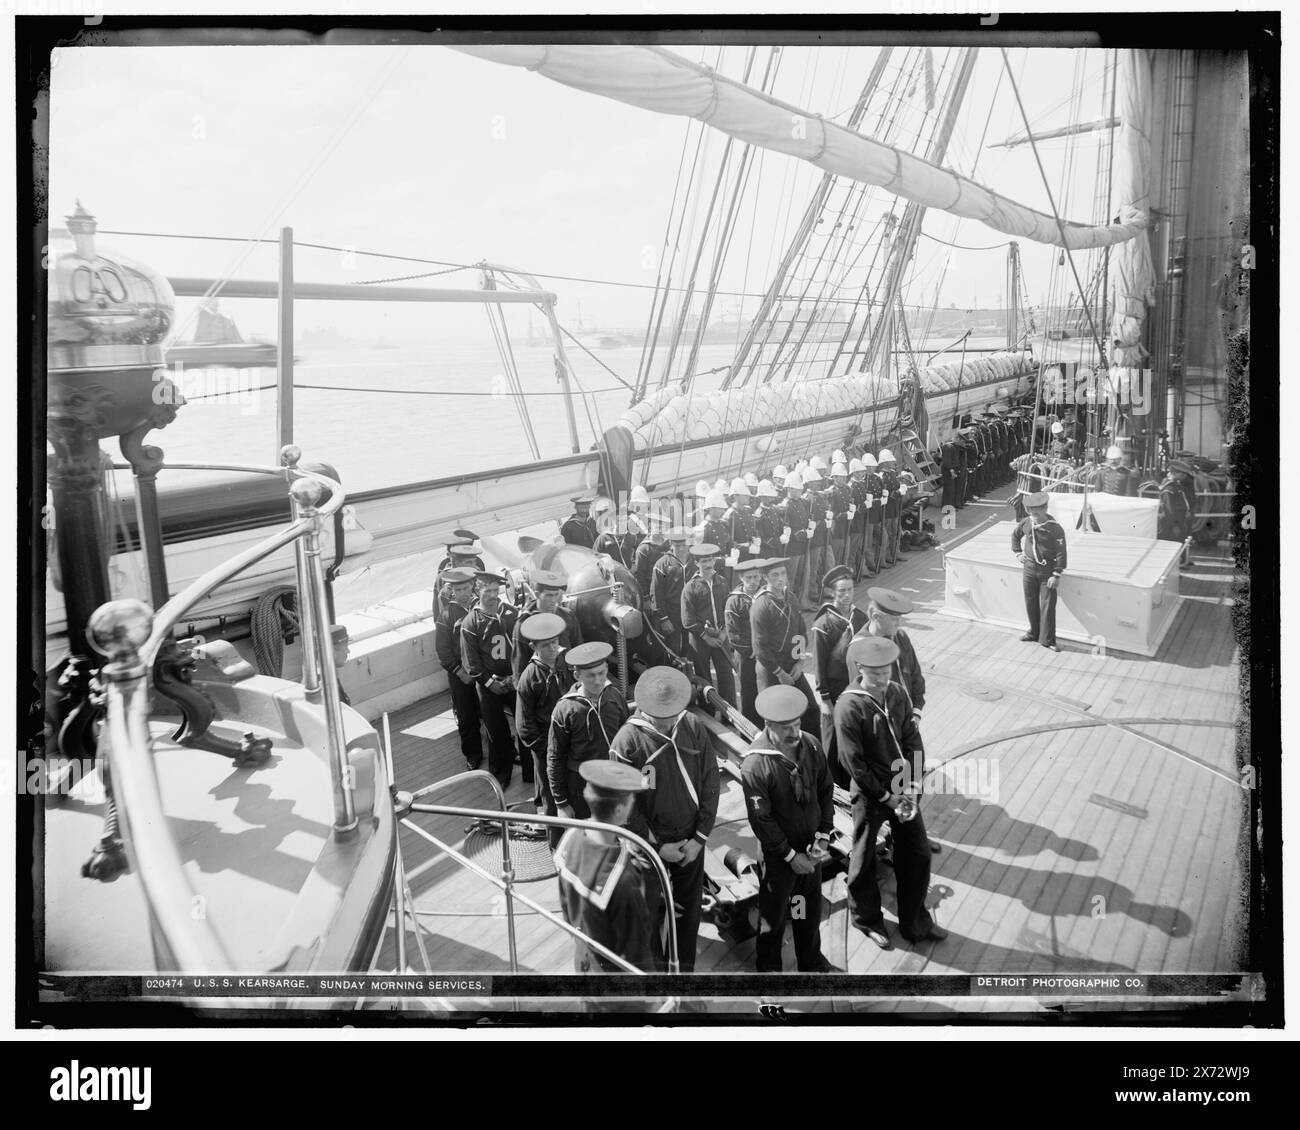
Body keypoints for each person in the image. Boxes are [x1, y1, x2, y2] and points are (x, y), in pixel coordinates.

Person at [835, 635, 947, 950]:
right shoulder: (849, 705)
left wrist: (911, 788)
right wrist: (886, 798)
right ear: (860, 668)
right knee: (863, 857)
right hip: (871, 794)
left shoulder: (897, 693)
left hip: (902, 788)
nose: (884, 677)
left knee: (918, 853)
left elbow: (912, 740)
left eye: (887, 670)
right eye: (876, 672)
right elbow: (853, 763)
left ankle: (915, 922)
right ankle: (866, 919)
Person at [609, 665, 719, 972]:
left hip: (690, 841)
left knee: (689, 914)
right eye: (664, 715)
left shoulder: (693, 726)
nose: (672, 721)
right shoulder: (627, 743)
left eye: (675, 713)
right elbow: (624, 804)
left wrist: (700, 838)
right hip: (647, 848)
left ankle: (684, 976)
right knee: (648, 914)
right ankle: (657, 980)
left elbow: (710, 781)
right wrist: (656, 848)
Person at [740, 684, 838, 972]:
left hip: (812, 849)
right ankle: (770, 972)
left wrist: (822, 835)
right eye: (786, 728)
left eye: (796, 724)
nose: (794, 732)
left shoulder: (811, 745)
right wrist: (790, 857)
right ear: (768, 725)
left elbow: (825, 790)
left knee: (807, 909)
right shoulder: (756, 766)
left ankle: (811, 961)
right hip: (779, 859)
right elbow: (762, 820)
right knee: (773, 918)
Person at [553, 760, 656, 977]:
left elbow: (566, 909)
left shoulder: (569, 840)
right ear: (620, 810)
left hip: (584, 962)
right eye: (631, 799)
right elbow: (637, 952)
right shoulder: (622, 881)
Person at [864, 586, 938, 854]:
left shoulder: (901, 638)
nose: (898, 624)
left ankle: (911, 835)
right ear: (874, 615)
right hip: (881, 735)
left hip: (907, 727)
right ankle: (891, 843)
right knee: (889, 788)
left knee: (914, 778)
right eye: (893, 618)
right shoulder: (860, 648)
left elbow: (916, 678)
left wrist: (916, 711)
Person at [548, 641, 630, 821]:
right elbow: (555, 757)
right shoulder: (565, 709)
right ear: (577, 675)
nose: (598, 680)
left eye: (602, 673)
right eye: (590, 675)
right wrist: (561, 803)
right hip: (581, 786)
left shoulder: (614, 697)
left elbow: (628, 739)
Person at [459, 571, 525, 789]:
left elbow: (522, 646)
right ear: (478, 591)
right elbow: (471, 661)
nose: (493, 595)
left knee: (524, 724)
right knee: (495, 730)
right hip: (489, 686)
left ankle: (530, 770)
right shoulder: (471, 622)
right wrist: (489, 683)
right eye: (487, 591)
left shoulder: (511, 613)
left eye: (496, 590)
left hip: (513, 681)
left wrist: (516, 677)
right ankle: (500, 773)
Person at [515, 612, 572, 843]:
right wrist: (547, 750)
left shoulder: (569, 663)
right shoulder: (529, 678)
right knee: (552, 798)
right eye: (545, 645)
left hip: (573, 741)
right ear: (533, 646)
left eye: (555, 642)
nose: (552, 648)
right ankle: (556, 847)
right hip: (546, 749)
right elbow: (524, 726)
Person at [811, 565, 868, 790]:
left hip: (855, 687)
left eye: (850, 590)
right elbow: (819, 666)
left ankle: (850, 779)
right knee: (832, 739)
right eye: (841, 591)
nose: (846, 595)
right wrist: (825, 700)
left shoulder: (860, 616)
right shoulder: (823, 624)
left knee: (853, 736)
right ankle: (831, 785)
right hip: (834, 691)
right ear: (832, 593)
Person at [748, 558, 819, 736]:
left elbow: (801, 632)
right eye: (775, 575)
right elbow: (760, 648)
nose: (781, 578)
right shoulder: (761, 606)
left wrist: (799, 662)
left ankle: (812, 751)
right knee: (774, 717)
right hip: (771, 669)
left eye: (783, 573)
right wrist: (780, 673)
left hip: (792, 664)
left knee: (811, 709)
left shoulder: (791, 598)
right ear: (765, 578)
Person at [433, 566, 483, 772]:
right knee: (466, 717)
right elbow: (443, 652)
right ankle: (473, 754)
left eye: (466, 588)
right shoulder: (446, 616)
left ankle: (504, 750)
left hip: (482, 673)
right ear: (452, 590)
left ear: (472, 586)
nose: (463, 593)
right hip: (460, 676)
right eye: (458, 589)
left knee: (491, 714)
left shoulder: (481, 609)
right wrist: (460, 673)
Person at [681, 543, 737, 706]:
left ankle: (730, 714)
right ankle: (709, 711)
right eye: (703, 561)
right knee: (703, 676)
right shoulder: (690, 587)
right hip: (700, 639)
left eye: (710, 560)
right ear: (696, 563)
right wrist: (706, 637)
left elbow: (729, 610)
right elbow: (687, 619)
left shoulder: (722, 582)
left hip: (721, 635)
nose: (707, 565)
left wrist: (724, 633)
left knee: (726, 673)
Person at [1012, 491, 1068, 652]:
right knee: (1030, 602)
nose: (1033, 514)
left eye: (1037, 510)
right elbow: (1015, 536)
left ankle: (1048, 639)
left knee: (1047, 605)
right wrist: (1017, 552)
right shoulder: (1027, 522)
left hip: (1047, 571)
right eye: (1030, 511)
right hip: (1029, 568)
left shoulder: (1055, 529)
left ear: (1045, 508)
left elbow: (1061, 553)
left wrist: (1056, 574)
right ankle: (1033, 632)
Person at [512, 569, 582, 681]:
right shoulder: (524, 623)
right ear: (538, 594)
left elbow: (579, 650)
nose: (554, 600)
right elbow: (519, 666)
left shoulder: (568, 616)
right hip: (542, 684)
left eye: (556, 595)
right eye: (549, 595)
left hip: (569, 681)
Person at [726, 558, 765, 726]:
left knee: (765, 688)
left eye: (756, 577)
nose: (752, 582)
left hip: (766, 654)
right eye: (748, 578)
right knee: (749, 690)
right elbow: (733, 635)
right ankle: (750, 727)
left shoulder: (765, 596)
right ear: (741, 578)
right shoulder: (734, 601)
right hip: (746, 655)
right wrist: (753, 652)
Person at [650, 526, 695, 655]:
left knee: (691, 647)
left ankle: (689, 673)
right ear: (670, 544)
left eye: (683, 544)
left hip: (692, 612)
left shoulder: (695, 561)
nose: (680, 548)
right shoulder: (662, 564)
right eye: (677, 545)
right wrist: (663, 618)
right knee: (672, 648)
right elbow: (656, 594)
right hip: (672, 612)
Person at [776, 469, 812, 608]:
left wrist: (808, 529)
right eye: (797, 489)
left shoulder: (800, 502)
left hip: (803, 546)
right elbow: (785, 528)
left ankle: (800, 601)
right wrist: (799, 533)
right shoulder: (785, 505)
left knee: (801, 576)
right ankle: (789, 605)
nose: (800, 491)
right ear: (789, 488)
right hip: (792, 548)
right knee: (789, 578)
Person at [802, 463, 835, 608]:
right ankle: (813, 593)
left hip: (823, 536)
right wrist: (822, 522)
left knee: (824, 564)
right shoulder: (806, 498)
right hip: (814, 539)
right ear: (808, 482)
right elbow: (808, 520)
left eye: (818, 481)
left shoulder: (818, 496)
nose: (818, 483)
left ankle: (823, 588)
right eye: (815, 481)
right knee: (813, 567)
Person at [876, 449, 907, 569]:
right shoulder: (882, 476)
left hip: (895, 508)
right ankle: (888, 554)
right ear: (884, 463)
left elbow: (896, 486)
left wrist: (902, 487)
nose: (893, 462)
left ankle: (896, 552)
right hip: (888, 509)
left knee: (896, 532)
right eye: (889, 461)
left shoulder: (892, 473)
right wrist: (898, 492)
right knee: (889, 533)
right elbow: (887, 493)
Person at [633, 514, 669, 601]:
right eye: (657, 525)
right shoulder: (644, 549)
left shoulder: (670, 545)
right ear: (650, 526)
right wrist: (645, 597)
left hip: (669, 589)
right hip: (652, 590)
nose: (660, 528)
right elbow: (640, 575)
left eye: (663, 525)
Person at [828, 460, 852, 571]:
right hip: (836, 529)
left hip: (846, 527)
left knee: (845, 554)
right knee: (836, 556)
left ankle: (844, 574)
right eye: (840, 477)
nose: (843, 479)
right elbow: (831, 513)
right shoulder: (832, 492)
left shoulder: (847, 490)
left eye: (844, 477)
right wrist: (844, 515)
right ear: (834, 478)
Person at [752, 478, 783, 558]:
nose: (772, 499)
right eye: (769, 496)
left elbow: (779, 528)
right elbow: (761, 539)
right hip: (766, 553)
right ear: (762, 497)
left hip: (778, 550)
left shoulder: (774, 510)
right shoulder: (759, 515)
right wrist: (778, 541)